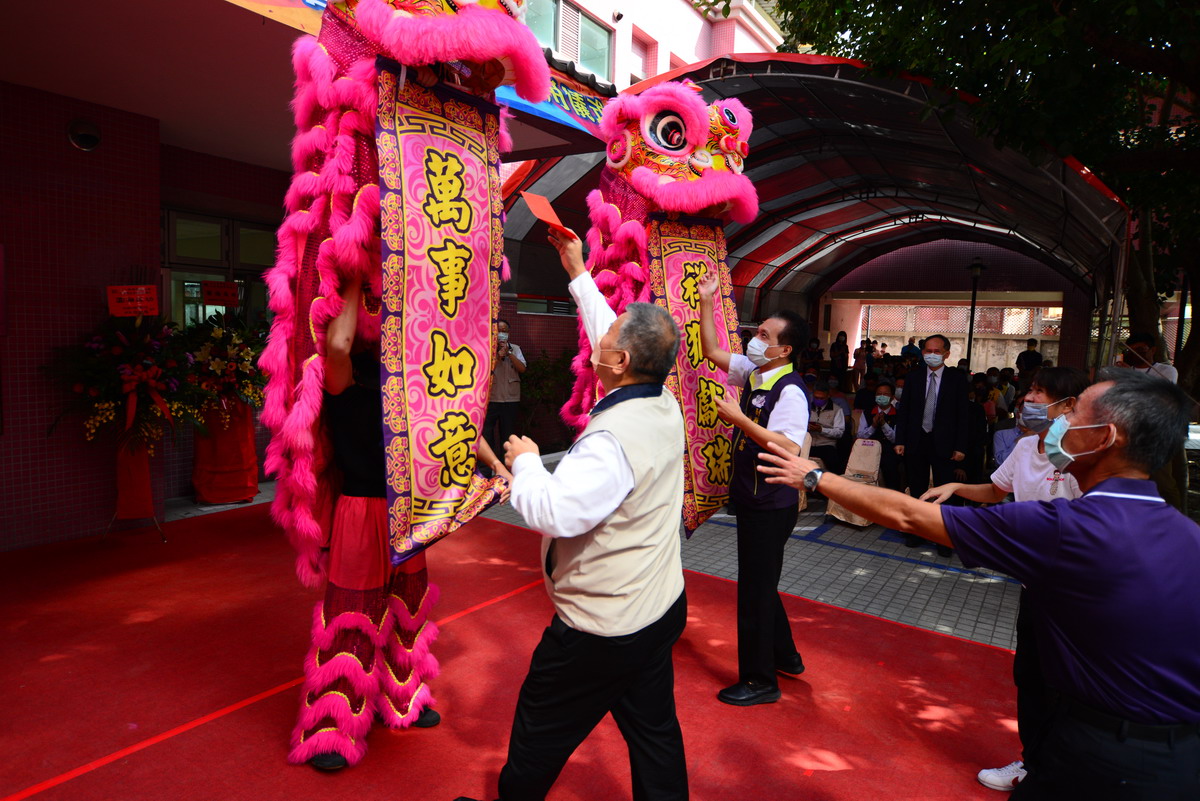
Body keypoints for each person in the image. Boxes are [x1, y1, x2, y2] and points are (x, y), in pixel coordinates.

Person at [761, 368, 1200, 801]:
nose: (1060, 423)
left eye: (1075, 414)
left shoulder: (1067, 528)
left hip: (1105, 757)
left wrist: (816, 477)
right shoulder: (1187, 534)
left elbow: (909, 516)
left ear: (1105, 437)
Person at [458, 227, 689, 801]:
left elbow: (556, 513)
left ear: (621, 359)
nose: (597, 335)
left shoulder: (614, 438)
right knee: (654, 733)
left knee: (541, 728)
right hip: (654, 609)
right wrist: (576, 269)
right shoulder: (662, 399)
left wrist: (528, 461)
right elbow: (608, 328)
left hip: (600, 630)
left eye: (607, 335)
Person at [292, 282, 508, 771]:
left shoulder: (412, 386)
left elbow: (460, 424)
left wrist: (497, 467)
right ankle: (331, 727)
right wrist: (348, 273)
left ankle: (401, 699)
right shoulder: (342, 380)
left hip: (406, 513)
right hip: (360, 510)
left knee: (404, 608)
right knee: (353, 612)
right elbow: (340, 344)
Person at [923, 368, 1088, 791]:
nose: (1027, 399)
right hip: (1035, 585)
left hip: (1077, 591)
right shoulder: (1024, 447)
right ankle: (1031, 764)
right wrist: (954, 488)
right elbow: (996, 491)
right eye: (1028, 390)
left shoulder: (1081, 457)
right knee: (1030, 678)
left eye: (1038, 392)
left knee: (1064, 684)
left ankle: (1061, 772)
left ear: (1068, 406)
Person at [697, 271, 809, 707]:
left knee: (754, 590)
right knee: (763, 583)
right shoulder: (756, 373)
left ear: (785, 350)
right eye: (756, 331)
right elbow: (711, 350)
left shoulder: (790, 391)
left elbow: (787, 445)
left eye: (764, 335)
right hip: (752, 495)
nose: (754, 339)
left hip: (771, 501)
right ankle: (786, 656)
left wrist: (739, 420)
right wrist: (707, 301)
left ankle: (761, 680)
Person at [893, 334, 968, 554]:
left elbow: (963, 416)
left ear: (946, 354)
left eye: (936, 351)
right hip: (917, 441)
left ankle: (944, 538)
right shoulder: (914, 377)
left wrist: (961, 446)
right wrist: (900, 440)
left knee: (945, 491)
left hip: (944, 443)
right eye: (927, 350)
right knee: (917, 488)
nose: (931, 355)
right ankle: (917, 531)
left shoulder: (957, 379)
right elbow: (904, 411)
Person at [483, 319, 526, 457]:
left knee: (507, 436)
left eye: (505, 331)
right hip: (491, 399)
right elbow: (484, 371)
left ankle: (506, 466)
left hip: (510, 399)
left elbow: (522, 369)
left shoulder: (516, 348)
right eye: (499, 330)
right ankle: (486, 469)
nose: (502, 333)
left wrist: (509, 354)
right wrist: (498, 355)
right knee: (487, 434)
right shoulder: (487, 347)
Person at [857, 379, 901, 489]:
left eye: (885, 394)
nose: (882, 396)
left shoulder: (898, 414)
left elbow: (896, 438)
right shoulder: (867, 412)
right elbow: (860, 436)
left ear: (892, 397)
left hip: (889, 450)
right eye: (879, 394)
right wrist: (873, 426)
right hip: (869, 449)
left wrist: (884, 424)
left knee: (892, 472)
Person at [808, 380, 846, 473]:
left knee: (835, 467)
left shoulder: (837, 410)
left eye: (822, 398)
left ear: (828, 396)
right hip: (808, 444)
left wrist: (821, 430)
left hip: (826, 446)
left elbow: (839, 433)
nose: (818, 400)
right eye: (816, 398)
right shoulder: (807, 407)